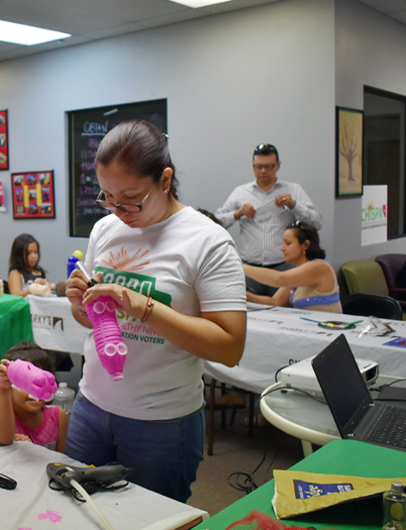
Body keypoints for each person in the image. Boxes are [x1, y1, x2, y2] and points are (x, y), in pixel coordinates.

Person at [64, 120, 247, 503]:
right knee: (78, 513)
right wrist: (82, 305)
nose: (118, 210)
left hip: (162, 422)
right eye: (107, 196)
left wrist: (145, 307)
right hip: (91, 406)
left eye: (130, 198)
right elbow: (96, 322)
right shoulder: (105, 229)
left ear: (165, 180)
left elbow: (230, 347)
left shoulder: (207, 241)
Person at [215, 144, 323, 296]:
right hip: (251, 269)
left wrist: (294, 205)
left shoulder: (294, 190)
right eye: (258, 167)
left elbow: (317, 222)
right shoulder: (240, 192)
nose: (263, 171)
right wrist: (237, 213)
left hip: (285, 267)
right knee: (250, 314)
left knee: (285, 313)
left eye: (268, 166)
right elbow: (215, 223)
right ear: (252, 166)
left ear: (278, 165)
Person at [0, 342, 69, 452]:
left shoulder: (58, 416)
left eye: (40, 383)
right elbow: (4, 438)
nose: (34, 393)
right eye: (26, 383)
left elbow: (60, 459)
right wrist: (4, 389)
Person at [244, 221, 340, 312]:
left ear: (305, 245)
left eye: (288, 243)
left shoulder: (319, 267)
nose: (282, 248)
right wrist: (244, 295)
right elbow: (275, 301)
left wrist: (241, 267)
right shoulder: (298, 272)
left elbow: (279, 279)